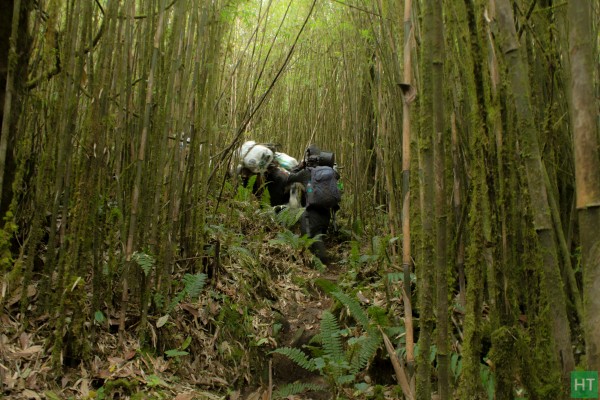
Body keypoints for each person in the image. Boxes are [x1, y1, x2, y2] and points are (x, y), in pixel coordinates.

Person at [286, 144, 340, 264]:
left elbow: (289, 178)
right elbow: (337, 177)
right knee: (319, 235)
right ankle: (321, 263)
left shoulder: (306, 172)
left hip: (312, 214)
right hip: (326, 213)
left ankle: (323, 266)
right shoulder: (330, 172)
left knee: (310, 238)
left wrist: (299, 166)